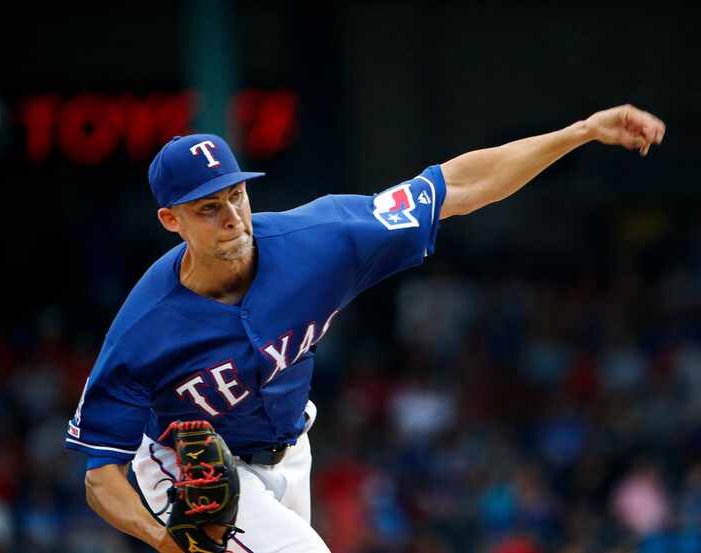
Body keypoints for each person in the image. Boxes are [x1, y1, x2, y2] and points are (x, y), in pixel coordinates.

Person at [65, 104, 665, 553]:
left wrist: (578, 133)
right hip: (186, 463)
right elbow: (100, 476)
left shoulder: (321, 240)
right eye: (207, 208)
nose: (232, 217)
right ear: (171, 220)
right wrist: (162, 539)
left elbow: (454, 186)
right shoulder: (144, 329)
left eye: (236, 195)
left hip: (289, 450)